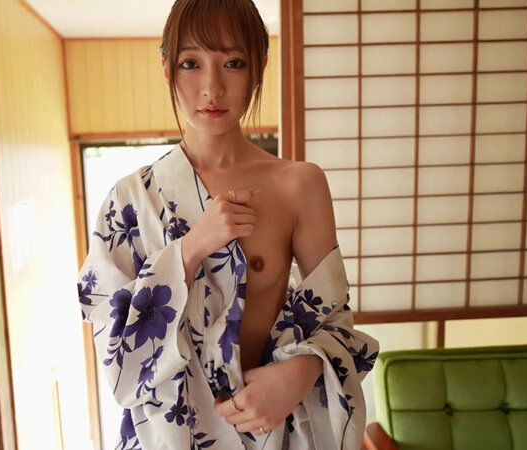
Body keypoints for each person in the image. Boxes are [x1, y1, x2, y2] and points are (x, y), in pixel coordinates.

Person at [76, 0, 379, 448]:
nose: (211, 88)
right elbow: (117, 355)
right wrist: (189, 249)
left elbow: (334, 321)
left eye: (233, 63)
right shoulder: (129, 200)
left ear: (258, 68)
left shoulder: (299, 185)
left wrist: (300, 372)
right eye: (191, 63)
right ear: (167, 70)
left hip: (272, 430)